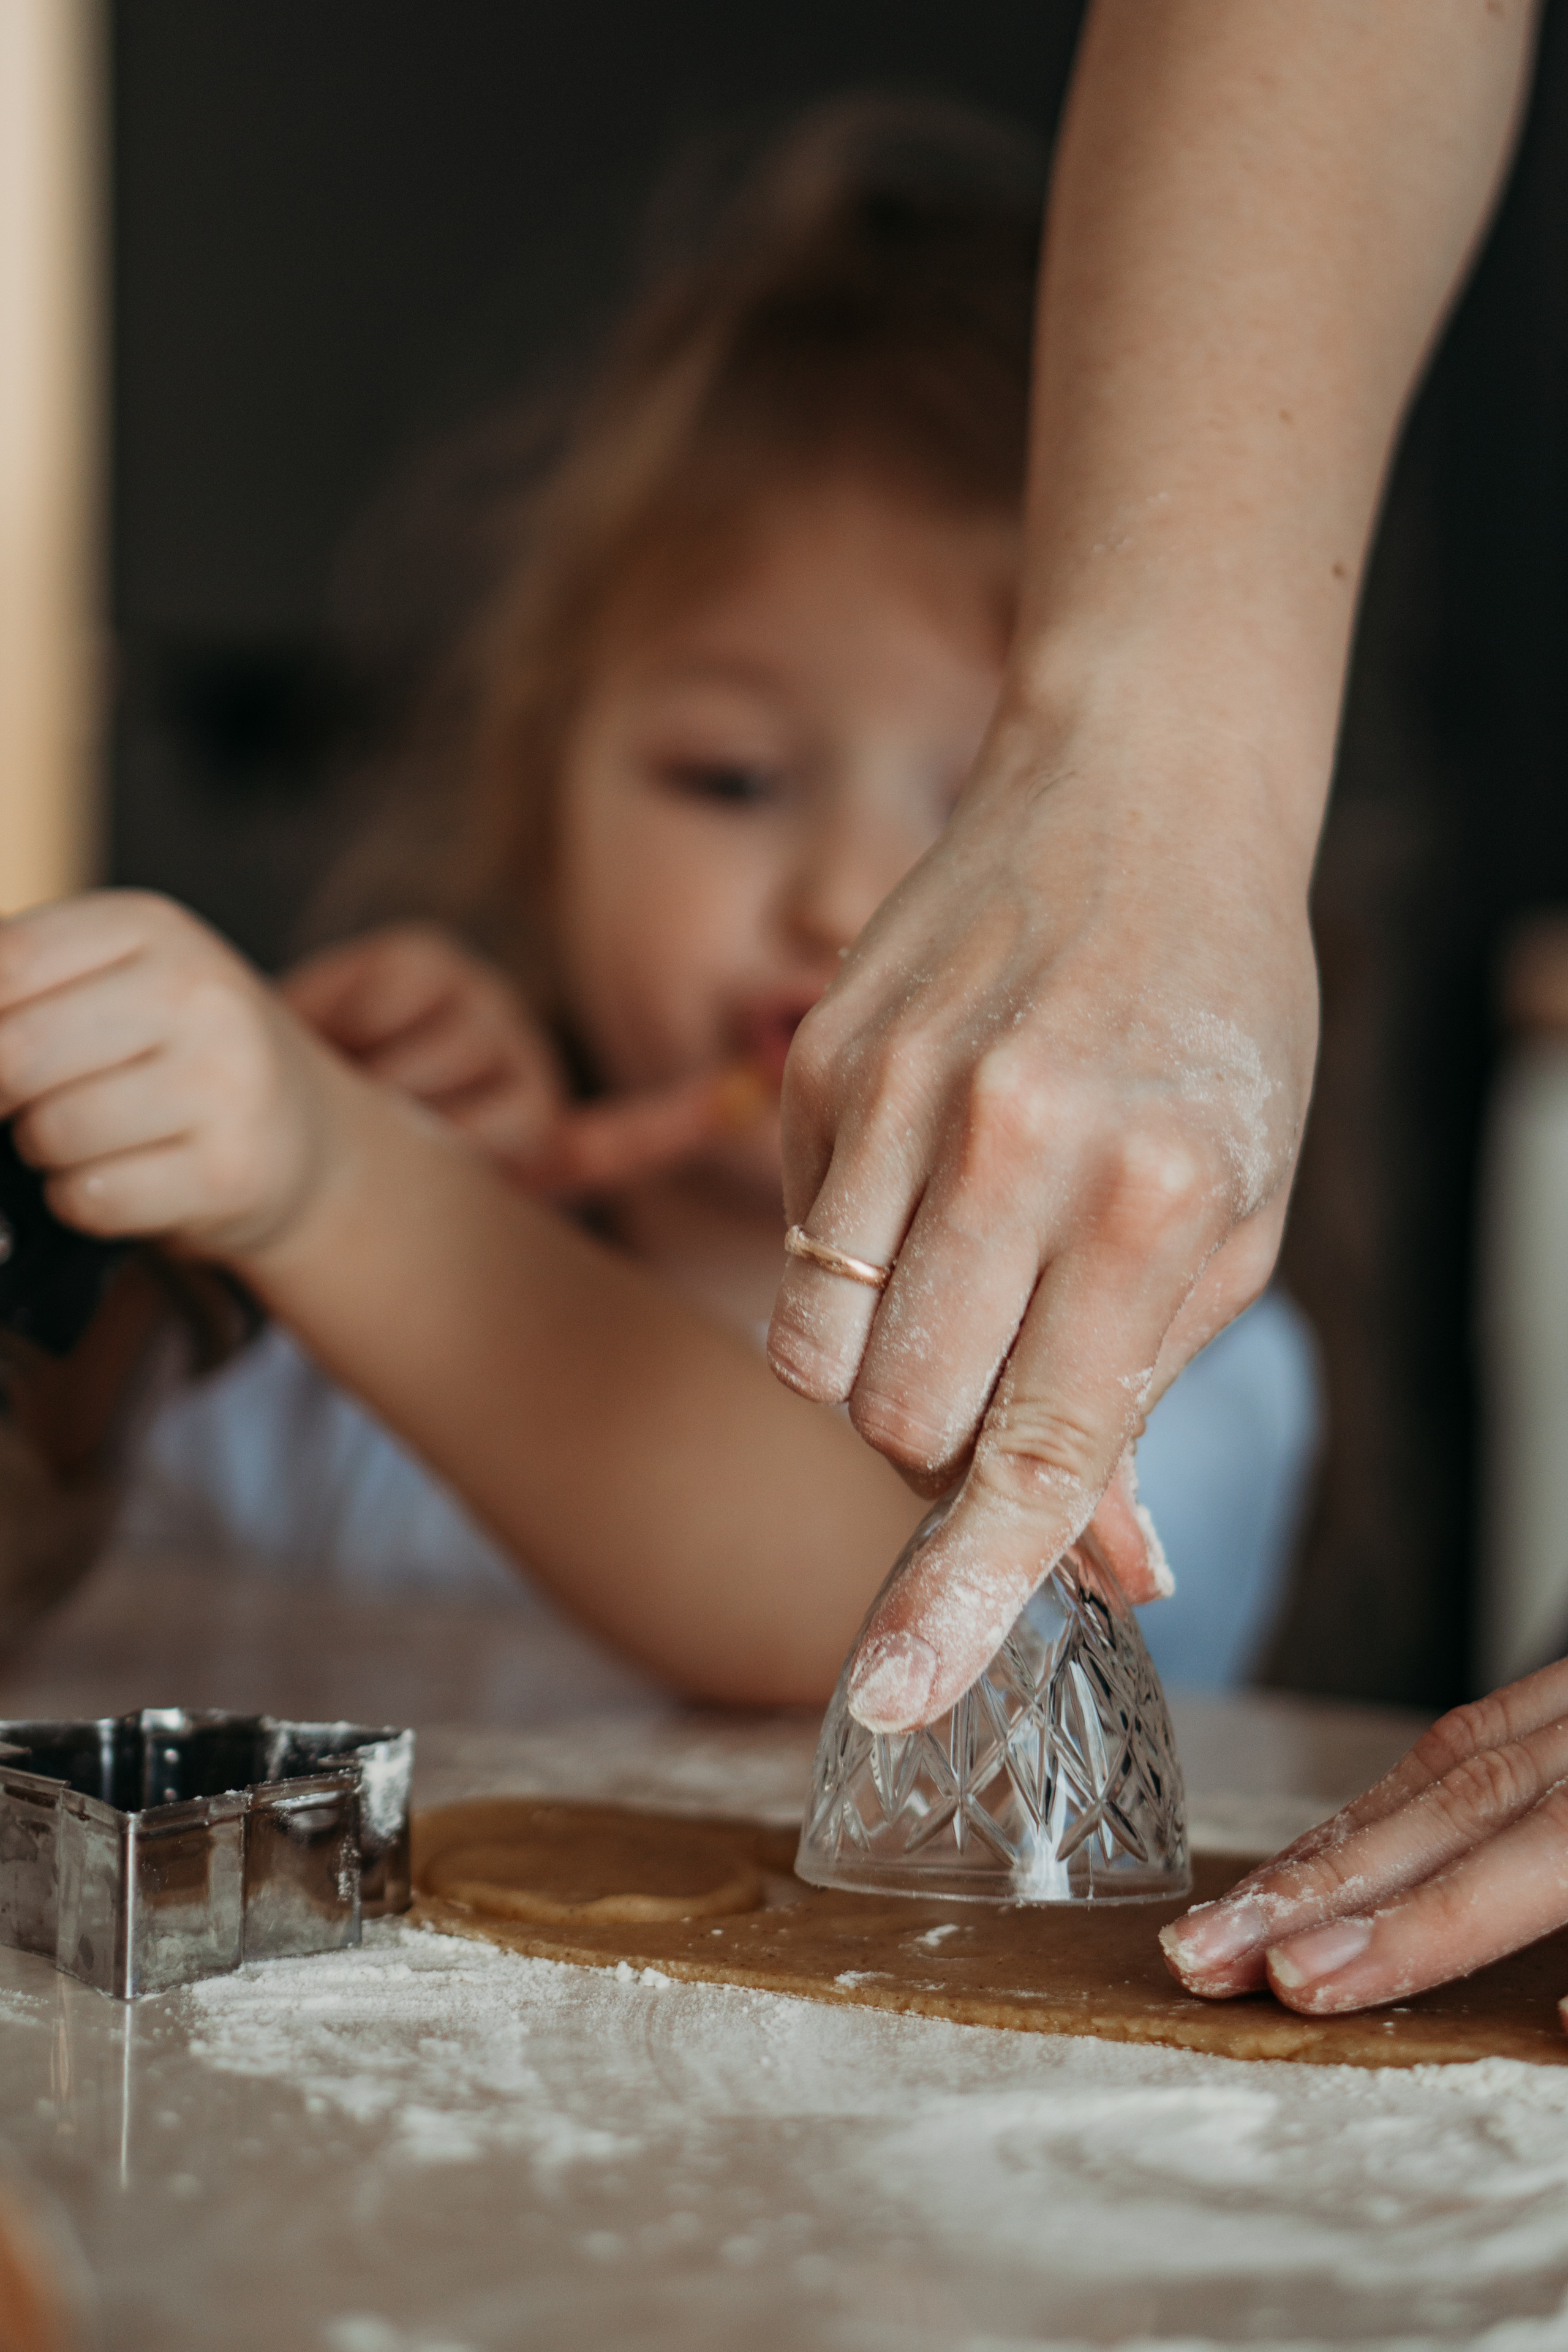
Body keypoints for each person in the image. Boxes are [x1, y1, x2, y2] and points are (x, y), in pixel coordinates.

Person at [0, 100, 1315, 1700]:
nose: (843, 894)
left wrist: (333, 1186)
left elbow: (861, 1615)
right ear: (543, 797)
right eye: (732, 779)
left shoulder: (1173, 1358)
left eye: (991, 810)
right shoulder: (327, 1352)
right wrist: (172, 1246)